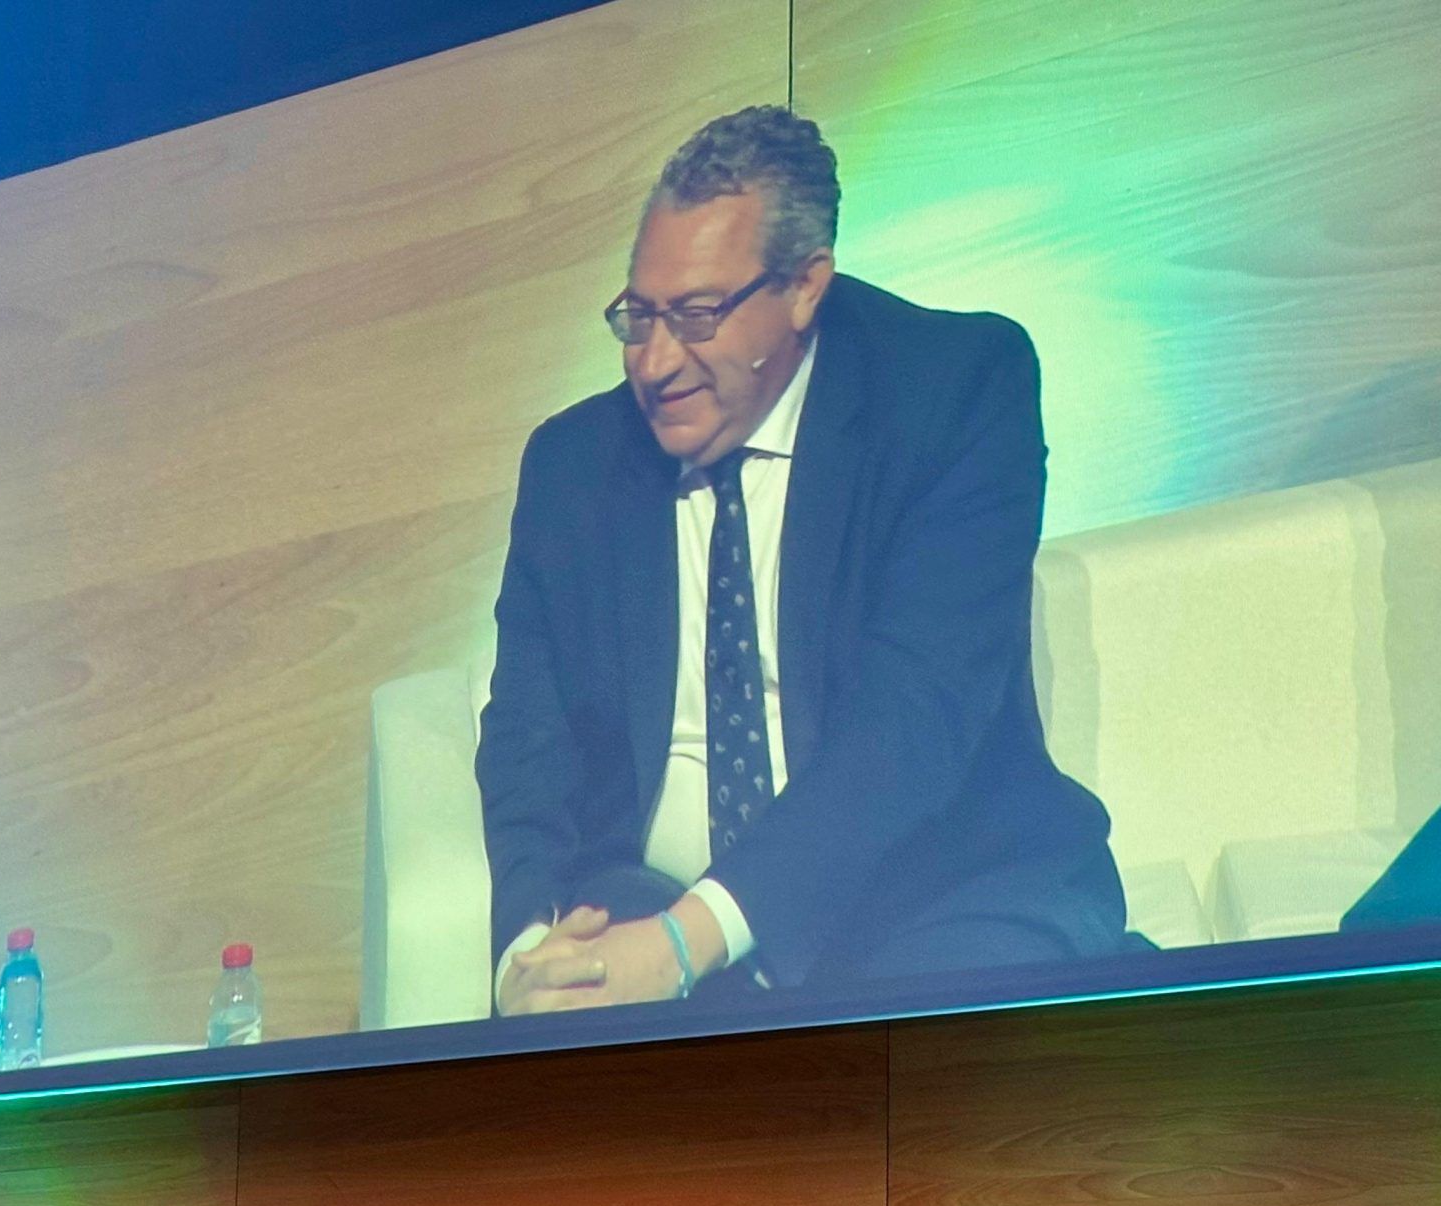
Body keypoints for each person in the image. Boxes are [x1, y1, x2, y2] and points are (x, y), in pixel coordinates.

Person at [478, 105, 1126, 1019]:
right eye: (639, 317)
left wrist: (686, 943)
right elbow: (526, 742)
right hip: (647, 904)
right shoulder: (571, 466)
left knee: (900, 1054)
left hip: (934, 890)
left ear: (804, 287)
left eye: (696, 316)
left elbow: (916, 717)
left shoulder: (954, 387)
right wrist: (529, 960)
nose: (655, 363)